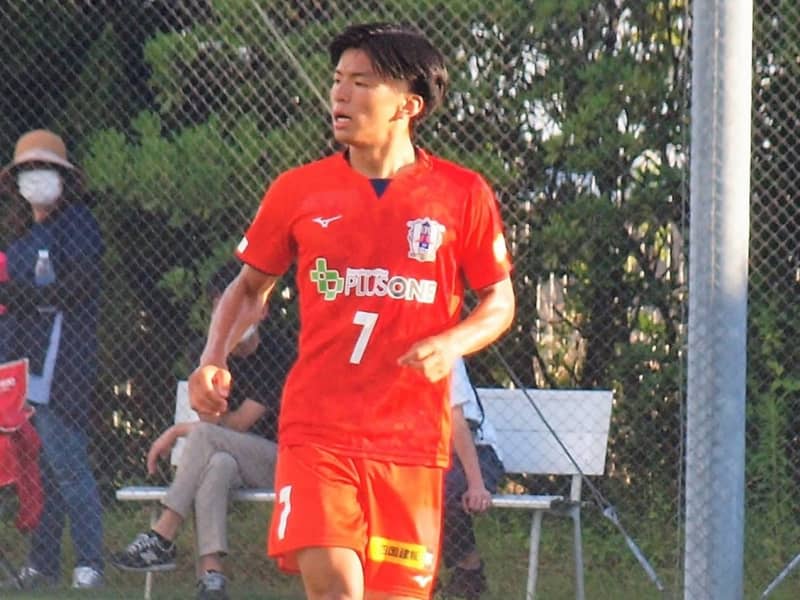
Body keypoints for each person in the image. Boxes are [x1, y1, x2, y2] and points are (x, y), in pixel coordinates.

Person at [189, 22, 515, 600]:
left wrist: (451, 343)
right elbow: (247, 289)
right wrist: (212, 358)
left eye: (361, 82)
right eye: (338, 80)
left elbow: (500, 301)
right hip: (319, 432)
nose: (340, 93)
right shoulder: (298, 190)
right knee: (337, 587)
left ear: (409, 105)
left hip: (411, 442)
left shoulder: (462, 194)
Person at [111, 262, 293, 600]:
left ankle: (163, 534)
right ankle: (212, 577)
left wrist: (177, 431)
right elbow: (210, 421)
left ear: (262, 309)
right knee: (218, 464)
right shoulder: (206, 354)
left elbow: (237, 423)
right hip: (229, 458)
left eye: (239, 306)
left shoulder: (279, 354)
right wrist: (220, 355)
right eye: (223, 308)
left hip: (280, 460)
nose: (230, 316)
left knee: (206, 440)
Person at [0, 129, 105, 589]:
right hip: (24, 367)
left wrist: (18, 295)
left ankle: (90, 562)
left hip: (62, 365)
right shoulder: (22, 235)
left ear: (63, 178)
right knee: (39, 470)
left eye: (45, 169)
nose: (36, 177)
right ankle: (42, 564)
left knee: (68, 463)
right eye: (27, 170)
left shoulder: (77, 224)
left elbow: (79, 286)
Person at [440, 357, 504, 600]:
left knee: (443, 491)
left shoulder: (446, 351)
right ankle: (420, 575)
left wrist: (477, 485)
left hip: (477, 451)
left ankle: (469, 569)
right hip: (427, 451)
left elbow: (456, 423)